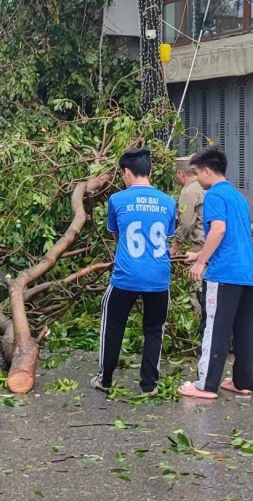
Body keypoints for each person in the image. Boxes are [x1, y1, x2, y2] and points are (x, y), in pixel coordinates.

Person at [92, 148, 177, 395]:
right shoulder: (168, 202)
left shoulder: (117, 200)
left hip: (126, 277)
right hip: (159, 278)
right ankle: (148, 385)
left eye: (122, 174)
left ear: (127, 172)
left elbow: (117, 236)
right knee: (154, 329)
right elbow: (168, 236)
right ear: (150, 172)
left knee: (113, 324)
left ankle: (105, 380)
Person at [179, 148, 253, 400]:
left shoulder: (213, 194)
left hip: (224, 274)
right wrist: (200, 254)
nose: (196, 178)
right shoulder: (236, 196)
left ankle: (206, 384)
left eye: (196, 173)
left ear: (206, 171)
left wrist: (201, 262)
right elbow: (232, 236)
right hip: (248, 273)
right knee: (245, 329)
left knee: (215, 328)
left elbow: (219, 230)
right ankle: (243, 382)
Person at [171, 155, 207, 334]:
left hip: (201, 247)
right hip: (215, 246)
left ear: (181, 174)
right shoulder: (206, 186)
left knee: (195, 289)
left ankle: (195, 330)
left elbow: (186, 223)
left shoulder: (189, 191)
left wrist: (175, 246)